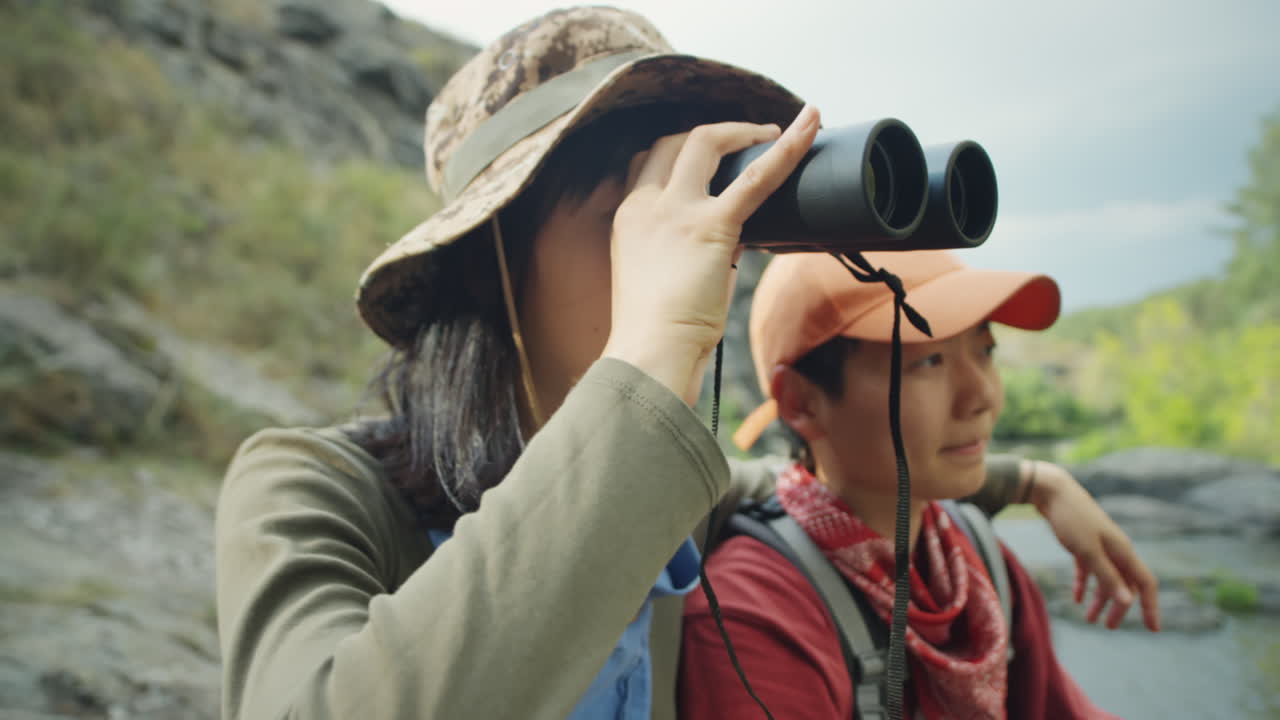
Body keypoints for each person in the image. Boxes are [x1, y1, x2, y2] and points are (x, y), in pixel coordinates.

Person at [214, 6, 1154, 719]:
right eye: (632, 222)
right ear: (490, 262)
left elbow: (811, 483)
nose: (694, 260)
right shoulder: (313, 489)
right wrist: (653, 346)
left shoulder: (673, 503)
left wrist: (1032, 482)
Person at [680, 250, 1160, 719]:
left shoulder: (975, 557)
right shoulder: (756, 616)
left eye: (985, 351)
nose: (982, 397)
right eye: (929, 361)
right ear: (801, 402)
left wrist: (1040, 482)